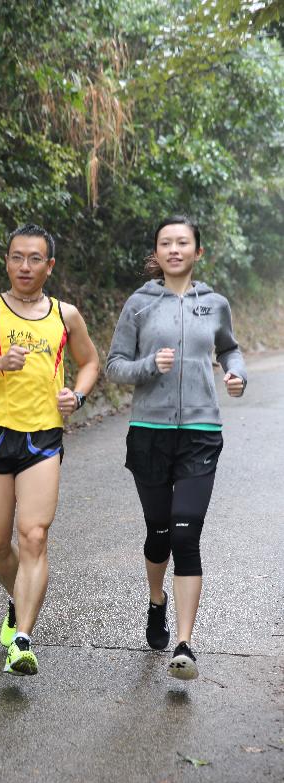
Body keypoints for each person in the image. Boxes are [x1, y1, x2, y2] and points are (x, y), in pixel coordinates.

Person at [0, 223, 99, 675]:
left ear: (49, 266)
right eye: (17, 257)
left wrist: (78, 395)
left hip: (42, 438)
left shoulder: (65, 315)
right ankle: (18, 599)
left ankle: (23, 639)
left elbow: (89, 361)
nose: (25, 266)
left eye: (35, 259)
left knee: (33, 535)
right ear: (7, 261)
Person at [106, 214, 246, 680]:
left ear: (197, 251)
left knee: (186, 535)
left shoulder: (215, 303)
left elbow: (230, 348)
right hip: (149, 432)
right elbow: (115, 366)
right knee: (159, 533)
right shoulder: (140, 305)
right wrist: (150, 364)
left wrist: (236, 373)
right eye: (166, 243)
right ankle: (156, 601)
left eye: (183, 243)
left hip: (201, 433)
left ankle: (184, 644)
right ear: (157, 252)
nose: (174, 250)